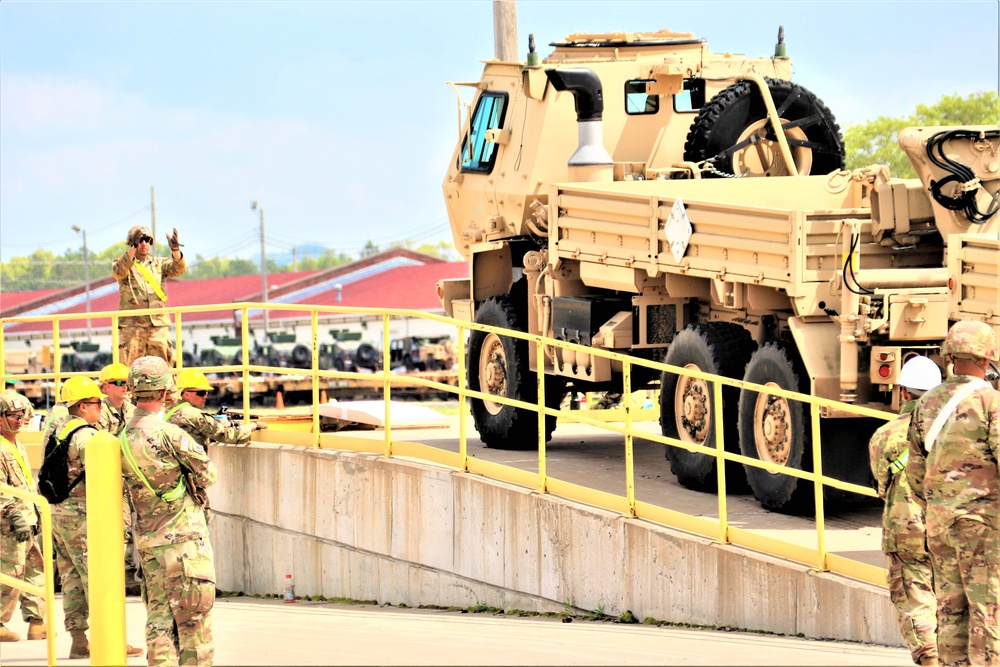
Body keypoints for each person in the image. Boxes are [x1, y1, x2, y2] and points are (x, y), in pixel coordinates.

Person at [906, 320, 999, 667]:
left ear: (949, 357)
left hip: (939, 524)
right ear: (987, 358)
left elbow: (915, 474)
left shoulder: (926, 404)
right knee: (988, 610)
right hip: (983, 527)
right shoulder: (991, 403)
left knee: (950, 610)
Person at [122, 356, 217, 665]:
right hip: (184, 541)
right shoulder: (170, 435)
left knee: (159, 622)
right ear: (164, 392)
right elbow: (208, 475)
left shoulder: (120, 439)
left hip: (149, 544)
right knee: (193, 625)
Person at [43, 376, 144, 659]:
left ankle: (79, 640)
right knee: (98, 578)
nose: (100, 406)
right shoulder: (88, 437)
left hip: (60, 514)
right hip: (84, 517)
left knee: (71, 578)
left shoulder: (58, 430)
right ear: (83, 406)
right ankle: (110, 641)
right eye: (95, 402)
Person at [869, 355, 943, 666]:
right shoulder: (957, 430)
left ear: (902, 393)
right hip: (954, 530)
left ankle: (931, 660)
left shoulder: (885, 436)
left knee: (916, 603)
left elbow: (881, 483)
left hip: (907, 533)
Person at [0, 390, 46, 642]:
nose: (19, 420)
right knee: (10, 573)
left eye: (21, 415)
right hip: (9, 523)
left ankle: (36, 622)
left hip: (27, 518)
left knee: (34, 570)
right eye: (12, 415)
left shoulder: (15, 444)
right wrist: (14, 516)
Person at [111, 224, 187, 366]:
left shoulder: (159, 264)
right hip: (132, 328)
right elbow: (118, 271)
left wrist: (175, 250)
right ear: (132, 242)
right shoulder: (124, 263)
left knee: (163, 369)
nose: (144, 243)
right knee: (129, 370)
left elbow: (179, 269)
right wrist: (132, 248)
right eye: (140, 240)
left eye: (147, 240)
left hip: (157, 325)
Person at [165, 369, 267, 448]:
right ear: (186, 394)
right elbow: (230, 436)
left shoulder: (170, 410)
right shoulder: (195, 415)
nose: (205, 396)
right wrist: (253, 425)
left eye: (206, 392)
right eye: (201, 393)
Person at [96, 362, 134, 436]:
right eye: (120, 383)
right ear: (107, 387)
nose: (125, 386)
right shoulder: (99, 411)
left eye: (126, 383)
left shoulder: (131, 408)